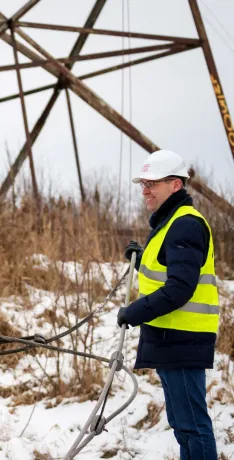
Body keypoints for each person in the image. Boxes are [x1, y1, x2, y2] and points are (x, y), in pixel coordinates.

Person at [119, 150, 219, 459]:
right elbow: (169, 274)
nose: (145, 190)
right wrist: (140, 260)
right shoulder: (170, 223)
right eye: (143, 184)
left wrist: (133, 312)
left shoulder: (185, 224)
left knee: (192, 426)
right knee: (182, 425)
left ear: (175, 185)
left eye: (152, 184)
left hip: (183, 340)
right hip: (170, 338)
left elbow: (179, 289)